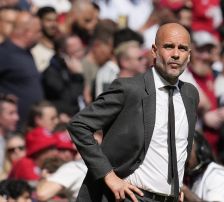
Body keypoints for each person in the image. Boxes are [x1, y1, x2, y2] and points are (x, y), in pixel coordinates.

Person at [67, 23, 199, 201]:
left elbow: (179, 149)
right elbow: (79, 125)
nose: (176, 54)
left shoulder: (190, 94)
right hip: (130, 196)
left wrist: (174, 189)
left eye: (182, 48)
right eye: (169, 46)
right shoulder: (129, 89)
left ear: (189, 55)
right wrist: (109, 176)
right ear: (154, 51)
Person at [0, 12, 43, 130]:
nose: (41, 35)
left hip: (30, 125)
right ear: (27, 32)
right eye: (38, 31)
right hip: (14, 126)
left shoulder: (27, 53)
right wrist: (3, 98)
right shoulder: (4, 53)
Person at [182, 132, 224, 202]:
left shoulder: (218, 176)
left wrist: (185, 192)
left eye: (186, 150)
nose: (182, 156)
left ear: (201, 151)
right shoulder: (194, 178)